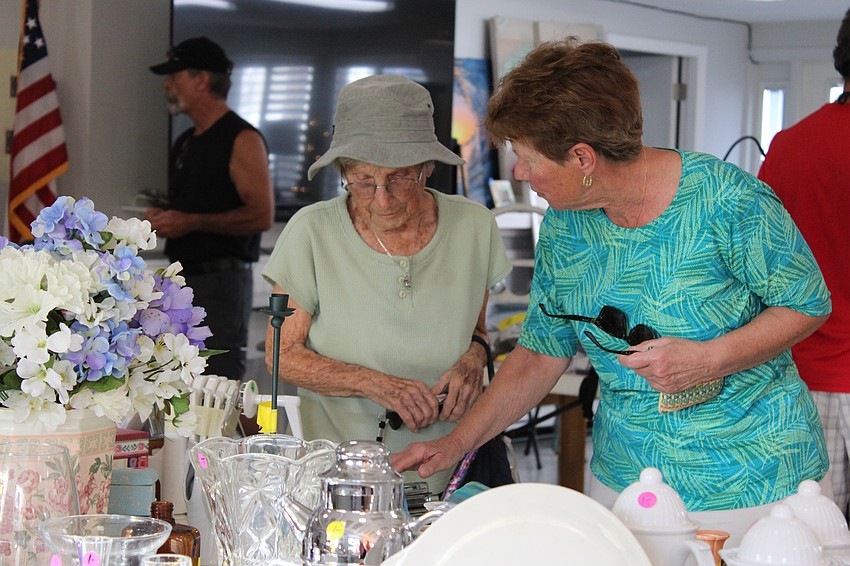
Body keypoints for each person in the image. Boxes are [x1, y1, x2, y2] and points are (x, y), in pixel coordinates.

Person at [393, 38, 832, 543]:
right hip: (624, 479)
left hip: (754, 482)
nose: (518, 172)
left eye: (526, 157)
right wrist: (456, 443)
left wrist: (708, 359)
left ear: (582, 157)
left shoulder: (727, 200)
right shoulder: (565, 224)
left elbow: (807, 303)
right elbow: (540, 353)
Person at [261, 75, 512, 495]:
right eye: (363, 180)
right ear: (344, 172)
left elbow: (478, 332)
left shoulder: (475, 227)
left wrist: (472, 362)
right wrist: (377, 384)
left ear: (427, 168)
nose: (382, 198)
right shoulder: (312, 232)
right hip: (343, 480)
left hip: (456, 467)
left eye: (399, 178)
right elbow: (281, 355)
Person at [757, 9, 850, 519]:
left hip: (799, 380)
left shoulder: (789, 145)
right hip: (807, 369)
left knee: (810, 537)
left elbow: (753, 271)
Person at [145, 36, 274, 381]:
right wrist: (165, 216)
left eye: (175, 75)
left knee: (216, 382)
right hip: (182, 279)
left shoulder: (242, 138)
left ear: (202, 79)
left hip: (221, 283)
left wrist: (190, 222)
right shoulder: (186, 142)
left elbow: (261, 215)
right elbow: (197, 202)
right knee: (176, 377)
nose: (167, 84)